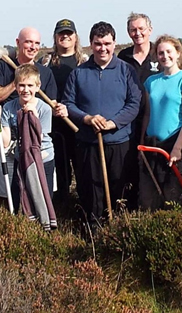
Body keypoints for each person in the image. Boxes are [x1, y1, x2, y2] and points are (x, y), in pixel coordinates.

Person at [63, 21, 141, 229]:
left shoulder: (126, 71)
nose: (103, 48)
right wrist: (87, 119)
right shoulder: (79, 73)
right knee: (90, 188)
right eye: (98, 44)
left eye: (107, 43)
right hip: (88, 142)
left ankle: (118, 230)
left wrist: (113, 123)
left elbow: (134, 103)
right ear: (91, 44)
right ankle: (93, 232)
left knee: (119, 187)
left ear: (114, 43)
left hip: (119, 142)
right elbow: (68, 103)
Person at [0, 64, 67, 228]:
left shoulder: (44, 108)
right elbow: (5, 141)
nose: (26, 90)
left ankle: (46, 228)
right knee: (21, 195)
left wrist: (33, 116)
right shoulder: (8, 108)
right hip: (20, 158)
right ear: (16, 86)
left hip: (43, 159)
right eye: (22, 85)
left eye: (30, 85)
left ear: (38, 87)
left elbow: (36, 140)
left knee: (42, 196)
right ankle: (27, 230)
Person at [0, 27, 58, 204]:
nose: (33, 47)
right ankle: (11, 225)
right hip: (9, 138)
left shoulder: (46, 73)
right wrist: (17, 81)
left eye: (36, 43)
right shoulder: (3, 66)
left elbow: (51, 104)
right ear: (18, 43)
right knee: (8, 193)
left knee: (39, 193)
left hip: (36, 145)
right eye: (28, 42)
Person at [139, 35, 182, 210]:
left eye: (169, 52)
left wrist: (177, 148)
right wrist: (142, 142)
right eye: (160, 53)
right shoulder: (151, 82)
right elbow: (148, 115)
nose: (165, 56)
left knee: (174, 199)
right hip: (152, 147)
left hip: (175, 146)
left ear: (178, 53)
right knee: (149, 199)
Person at [39, 19, 88, 203]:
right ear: (55, 37)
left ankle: (83, 202)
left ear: (76, 37)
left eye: (69, 33)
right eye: (61, 33)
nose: (65, 36)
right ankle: (61, 204)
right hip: (53, 124)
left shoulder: (84, 62)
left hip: (78, 123)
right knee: (59, 165)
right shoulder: (45, 61)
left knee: (81, 164)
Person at [116, 12, 161, 209]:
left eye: (141, 29)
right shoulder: (123, 56)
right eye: (133, 30)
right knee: (130, 164)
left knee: (153, 165)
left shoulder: (160, 55)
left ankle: (154, 207)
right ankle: (130, 208)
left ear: (150, 30)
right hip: (129, 120)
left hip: (155, 121)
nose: (138, 33)